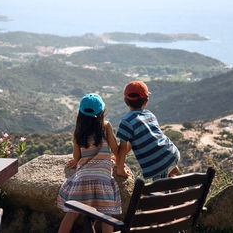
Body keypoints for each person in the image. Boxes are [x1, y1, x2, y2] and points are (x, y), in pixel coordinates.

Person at [57, 93, 122, 233]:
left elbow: (77, 156)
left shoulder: (78, 132)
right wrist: (117, 162)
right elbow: (115, 149)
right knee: (106, 216)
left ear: (80, 113)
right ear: (101, 112)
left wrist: (75, 161)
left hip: (82, 179)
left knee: (71, 213)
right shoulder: (106, 127)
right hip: (103, 179)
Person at [116, 81, 180, 180]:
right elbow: (135, 142)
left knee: (162, 190)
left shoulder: (126, 122)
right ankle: (171, 167)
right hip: (172, 152)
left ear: (125, 101)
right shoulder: (150, 115)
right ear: (146, 101)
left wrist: (120, 170)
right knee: (165, 165)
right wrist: (116, 158)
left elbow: (123, 147)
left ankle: (167, 170)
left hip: (155, 165)